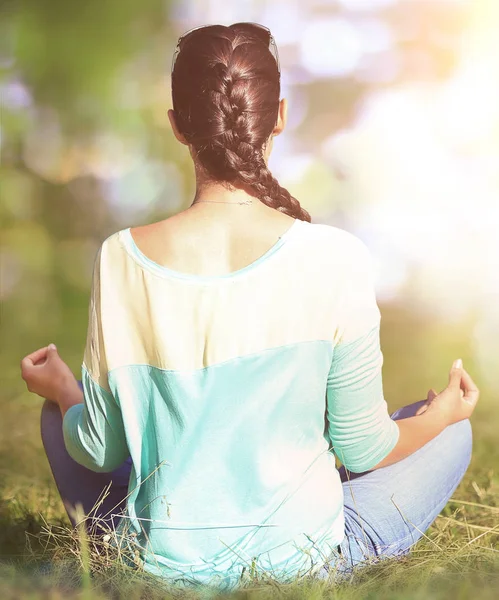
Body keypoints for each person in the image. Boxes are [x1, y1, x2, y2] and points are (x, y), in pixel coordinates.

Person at [20, 22, 479, 591]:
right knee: (449, 434)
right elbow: (365, 447)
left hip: (164, 564)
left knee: (57, 414)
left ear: (178, 125)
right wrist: (442, 417)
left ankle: (127, 544)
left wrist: (64, 392)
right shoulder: (337, 256)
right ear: (278, 115)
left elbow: (100, 447)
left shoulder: (121, 258)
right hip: (304, 559)